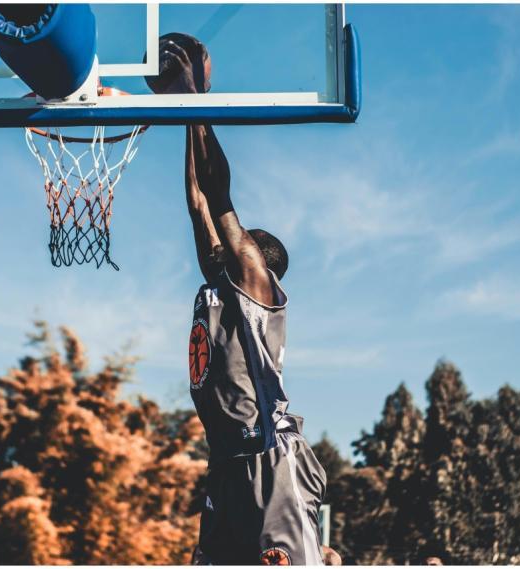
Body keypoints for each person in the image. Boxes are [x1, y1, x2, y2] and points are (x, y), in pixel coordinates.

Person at [160, 38, 329, 565]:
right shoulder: (219, 287)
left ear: (258, 259)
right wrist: (183, 109)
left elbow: (216, 187)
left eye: (240, 242)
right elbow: (196, 199)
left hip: (267, 458)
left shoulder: (256, 286)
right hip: (227, 462)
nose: (225, 244)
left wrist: (196, 97)